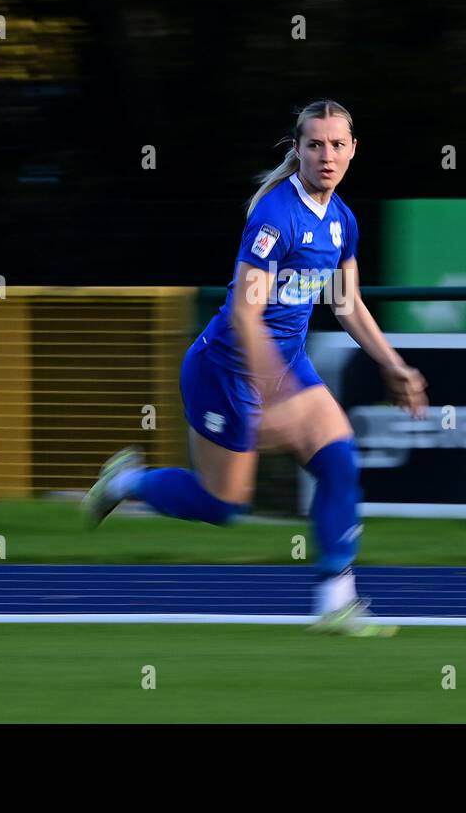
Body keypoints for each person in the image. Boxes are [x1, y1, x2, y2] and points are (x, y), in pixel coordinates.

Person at [83, 99, 428, 636]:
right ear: (298, 151)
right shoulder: (275, 217)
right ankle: (128, 482)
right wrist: (274, 383)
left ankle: (336, 604)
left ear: (354, 150)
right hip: (225, 372)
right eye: (315, 145)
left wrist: (393, 365)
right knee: (224, 505)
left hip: (283, 367)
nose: (327, 155)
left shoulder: (342, 221)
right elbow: (245, 316)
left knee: (340, 461)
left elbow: (346, 303)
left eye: (338, 145)